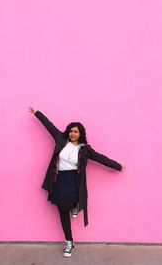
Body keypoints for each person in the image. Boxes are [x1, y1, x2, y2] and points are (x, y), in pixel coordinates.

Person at [28, 107, 125, 257]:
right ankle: (69, 242)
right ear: (68, 132)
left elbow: (100, 158)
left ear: (80, 134)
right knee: (61, 208)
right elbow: (49, 125)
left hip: (74, 180)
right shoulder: (61, 139)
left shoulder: (84, 148)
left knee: (67, 204)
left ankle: (75, 205)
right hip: (59, 179)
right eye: (71, 131)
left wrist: (117, 166)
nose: (73, 134)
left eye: (76, 132)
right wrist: (37, 113)